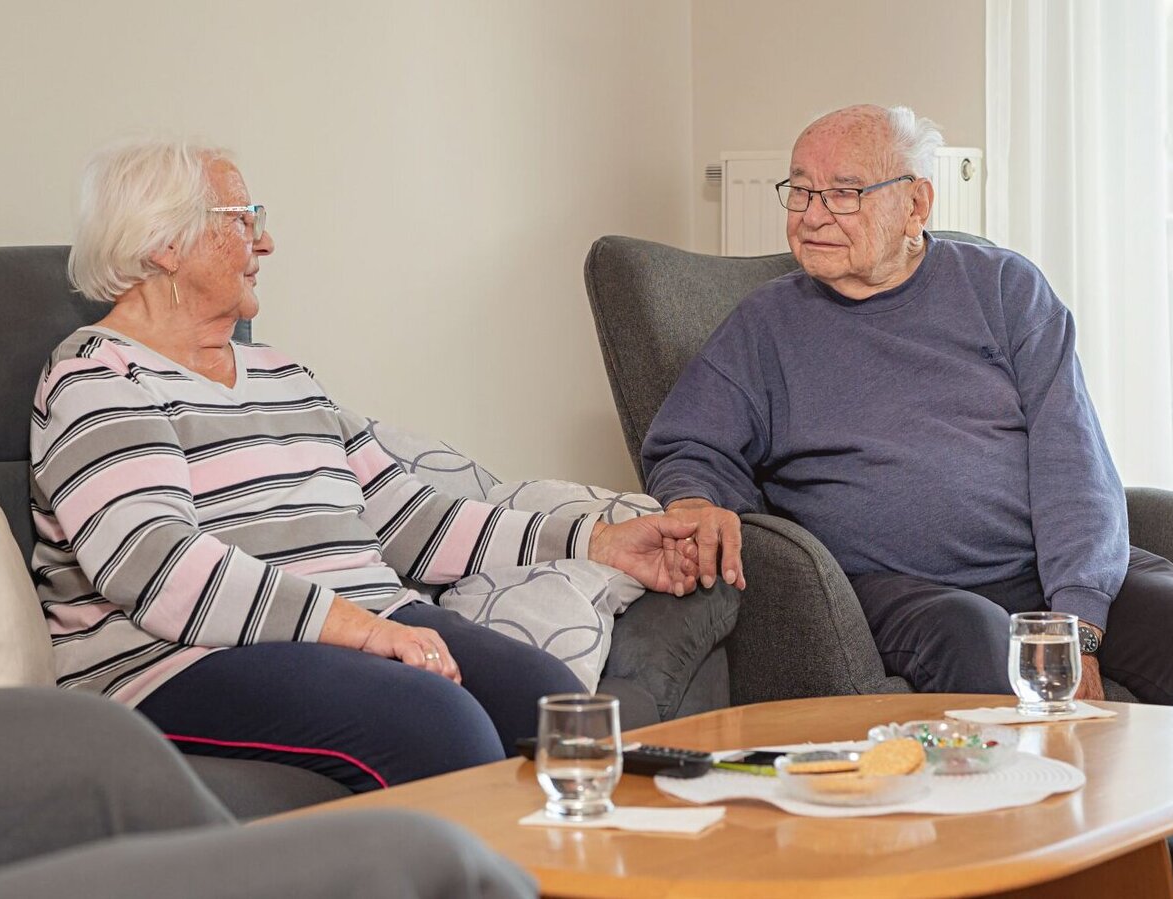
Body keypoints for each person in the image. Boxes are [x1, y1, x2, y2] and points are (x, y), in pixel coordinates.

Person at [34, 139, 703, 793]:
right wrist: (363, 630)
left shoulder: (284, 375)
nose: (265, 244)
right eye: (244, 221)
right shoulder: (98, 376)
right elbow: (157, 567)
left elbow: (412, 518)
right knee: (441, 729)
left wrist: (596, 539)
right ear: (164, 243)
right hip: (190, 659)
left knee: (557, 708)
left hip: (361, 623)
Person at [641, 104, 1173, 714]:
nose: (811, 215)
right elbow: (692, 442)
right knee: (978, 636)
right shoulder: (766, 326)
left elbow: (1073, 460)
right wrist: (696, 498)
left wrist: (1077, 624)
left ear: (916, 202)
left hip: (1039, 573)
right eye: (801, 191)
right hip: (897, 590)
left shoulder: (1004, 289)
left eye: (843, 193)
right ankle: (1044, 827)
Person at [0, 689, 536, 899]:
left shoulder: (282, 375)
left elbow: (404, 498)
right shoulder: (99, 382)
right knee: (416, 861)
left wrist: (580, 527)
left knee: (95, 744)